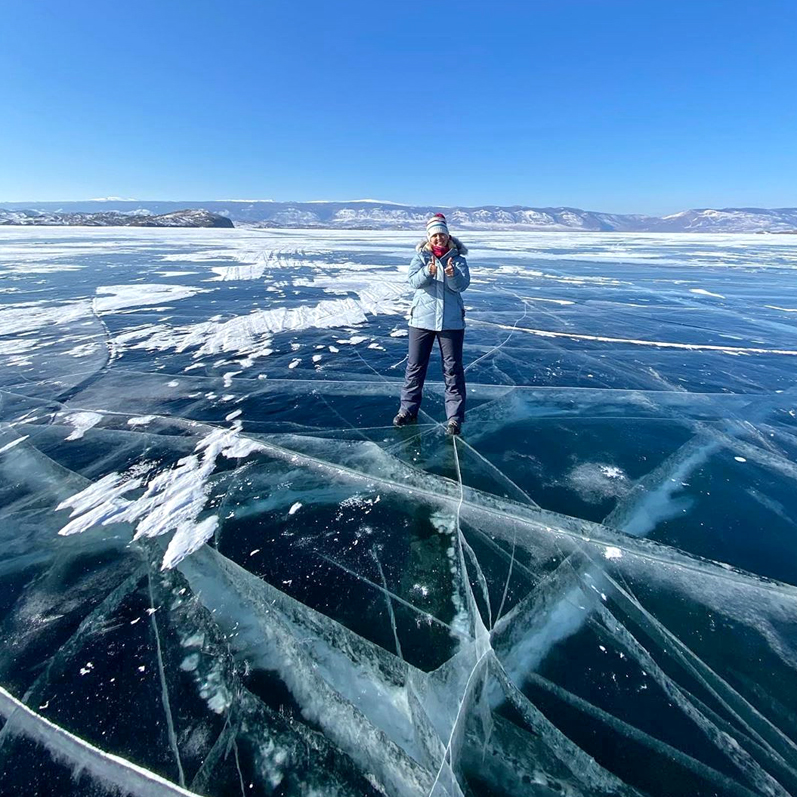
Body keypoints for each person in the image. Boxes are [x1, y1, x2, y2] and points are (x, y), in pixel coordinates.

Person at [393, 213, 470, 435]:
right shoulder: (420, 257)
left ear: (448, 236)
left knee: (453, 369)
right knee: (415, 367)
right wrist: (428, 271)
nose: (439, 239)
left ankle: (454, 418)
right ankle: (407, 410)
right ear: (429, 237)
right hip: (421, 320)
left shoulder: (458, 259)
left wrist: (452, 275)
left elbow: (462, 286)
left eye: (442, 235)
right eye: (435, 235)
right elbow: (412, 282)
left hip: (451, 322)